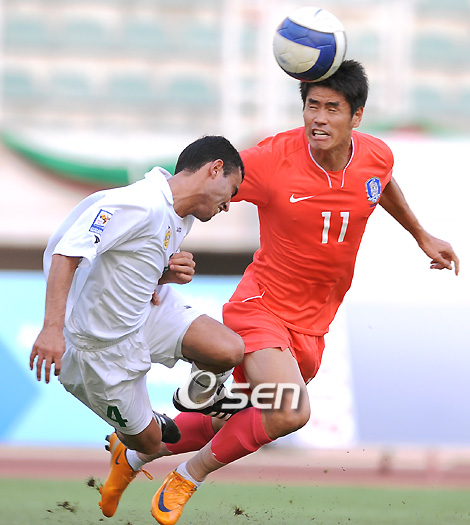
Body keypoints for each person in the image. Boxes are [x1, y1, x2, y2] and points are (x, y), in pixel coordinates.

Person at [147, 60, 460, 525]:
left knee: (232, 416)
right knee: (290, 410)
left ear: (356, 116)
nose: (319, 118)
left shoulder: (375, 155)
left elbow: (381, 183)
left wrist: (421, 235)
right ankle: (188, 477)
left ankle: (135, 451)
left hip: (313, 327)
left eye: (332, 108)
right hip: (261, 307)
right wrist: (156, 259)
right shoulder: (272, 159)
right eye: (312, 106)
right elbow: (193, 186)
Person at [29, 135, 246, 518]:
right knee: (148, 441)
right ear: (215, 169)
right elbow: (68, 254)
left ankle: (194, 402)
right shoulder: (138, 203)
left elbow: (125, 265)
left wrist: (165, 274)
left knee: (228, 350)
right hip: (98, 348)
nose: (229, 204)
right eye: (232, 190)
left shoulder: (181, 216)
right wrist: (52, 329)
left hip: (147, 314)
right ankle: (130, 444)